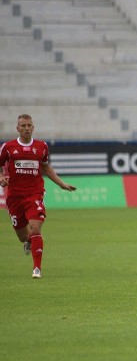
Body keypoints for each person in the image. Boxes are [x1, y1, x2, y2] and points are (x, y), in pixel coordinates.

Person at [0, 114, 76, 278]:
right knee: (23, 237)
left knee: (35, 227)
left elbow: (46, 167)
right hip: (15, 197)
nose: (26, 128)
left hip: (34, 194)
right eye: (23, 125)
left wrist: (61, 184)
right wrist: (1, 177)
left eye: (29, 125)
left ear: (33, 127)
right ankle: (28, 242)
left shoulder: (42, 147)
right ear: (17, 128)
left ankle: (37, 269)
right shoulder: (8, 147)